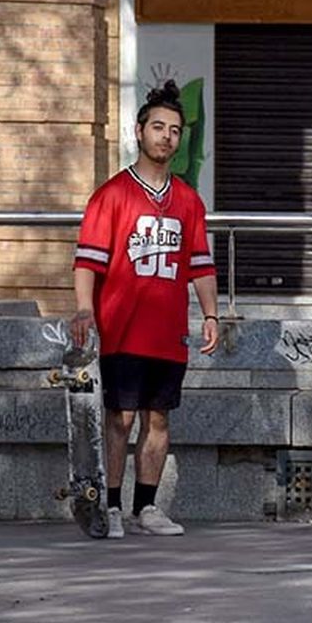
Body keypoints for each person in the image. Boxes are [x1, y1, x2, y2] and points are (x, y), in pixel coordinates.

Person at [71, 80, 220, 538]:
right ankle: (112, 506)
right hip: (121, 329)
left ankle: (147, 507)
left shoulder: (188, 201)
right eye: (158, 127)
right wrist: (84, 310)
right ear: (139, 132)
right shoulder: (112, 195)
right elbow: (87, 261)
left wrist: (211, 314)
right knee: (121, 418)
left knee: (159, 419)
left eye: (174, 130)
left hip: (168, 332)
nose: (166, 137)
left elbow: (200, 264)